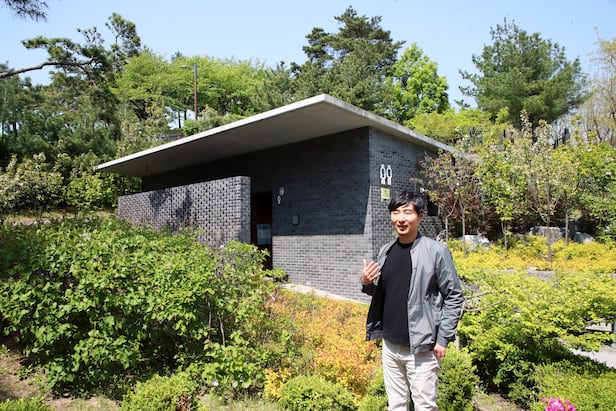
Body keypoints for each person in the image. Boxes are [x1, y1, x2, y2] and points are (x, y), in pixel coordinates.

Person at [361, 190, 464, 411]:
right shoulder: (386, 251)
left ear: (420, 217)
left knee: (425, 406)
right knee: (396, 405)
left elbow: (454, 295)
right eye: (396, 212)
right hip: (390, 345)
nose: (401, 218)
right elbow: (384, 293)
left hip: (422, 348)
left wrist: (443, 338)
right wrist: (367, 282)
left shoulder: (436, 252)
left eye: (407, 212)